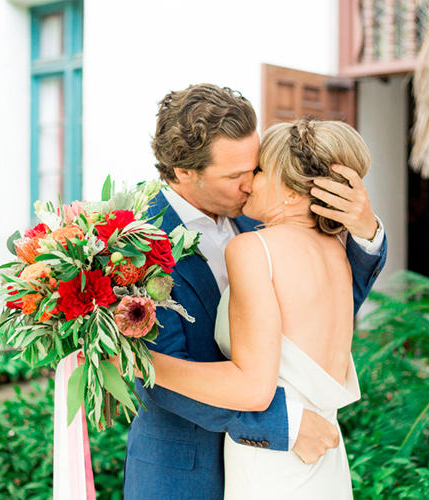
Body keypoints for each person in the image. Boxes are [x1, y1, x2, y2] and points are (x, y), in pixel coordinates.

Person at [124, 84, 387, 500]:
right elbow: (159, 376)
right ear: (184, 172)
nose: (250, 184)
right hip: (184, 472)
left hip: (279, 467)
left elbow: (317, 316)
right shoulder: (134, 243)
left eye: (256, 166)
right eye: (235, 176)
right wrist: (285, 424)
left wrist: (366, 231)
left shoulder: (261, 223)